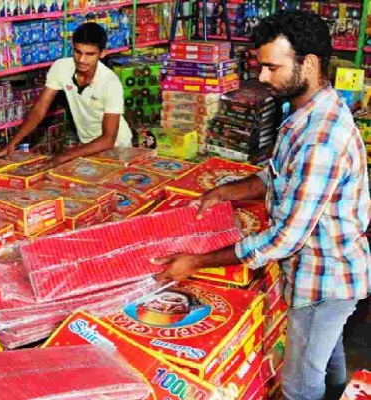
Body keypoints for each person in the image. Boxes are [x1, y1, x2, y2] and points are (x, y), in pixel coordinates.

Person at [153, 10, 370, 400]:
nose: (263, 78)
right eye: (261, 66)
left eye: (272, 67)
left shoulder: (320, 139)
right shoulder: (304, 114)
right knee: (327, 357)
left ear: (309, 64)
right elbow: (275, 176)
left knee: (299, 384)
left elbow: (285, 239)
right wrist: (224, 192)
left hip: (324, 280)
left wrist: (196, 262)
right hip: (321, 271)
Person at [0, 22, 133, 169]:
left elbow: (108, 139)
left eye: (90, 54)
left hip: (118, 148)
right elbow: (39, 110)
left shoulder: (110, 83)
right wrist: (11, 144)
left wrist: (61, 158)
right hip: (86, 146)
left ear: (103, 53)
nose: (82, 60)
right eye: (78, 52)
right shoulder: (61, 68)